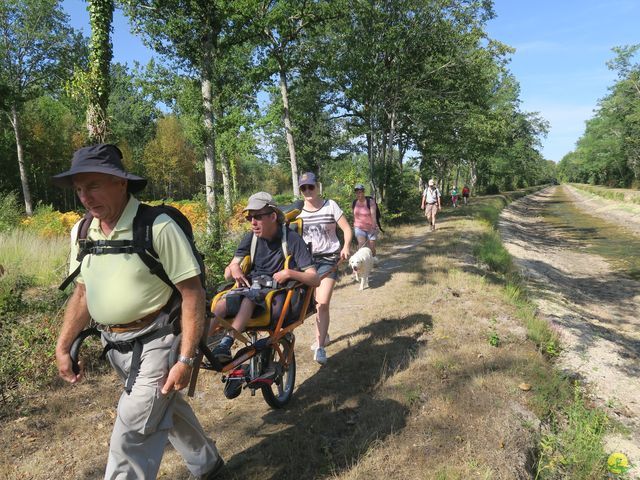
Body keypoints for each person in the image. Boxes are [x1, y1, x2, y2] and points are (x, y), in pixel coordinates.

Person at [53, 144, 223, 480]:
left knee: (132, 429)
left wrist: (186, 360)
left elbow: (192, 293)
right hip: (116, 346)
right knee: (164, 408)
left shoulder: (157, 227)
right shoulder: (83, 231)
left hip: (160, 339)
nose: (85, 197)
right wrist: (63, 345)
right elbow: (83, 291)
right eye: (79, 189)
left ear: (121, 183)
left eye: (94, 185)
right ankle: (209, 465)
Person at [211, 192, 320, 363]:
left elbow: (315, 279)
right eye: (249, 218)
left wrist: (289, 273)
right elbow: (227, 273)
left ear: (273, 216)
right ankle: (198, 347)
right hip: (251, 287)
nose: (253, 222)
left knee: (249, 299)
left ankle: (225, 345)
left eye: (258, 217)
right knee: (221, 304)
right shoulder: (250, 238)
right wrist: (233, 267)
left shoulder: (291, 238)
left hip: (275, 294)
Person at [297, 172, 352, 364]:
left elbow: (346, 229)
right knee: (312, 305)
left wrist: (345, 247)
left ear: (317, 187)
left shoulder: (331, 205)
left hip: (329, 259)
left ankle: (319, 347)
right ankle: (324, 336)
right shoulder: (298, 212)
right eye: (303, 188)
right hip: (308, 263)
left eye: (310, 187)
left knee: (322, 302)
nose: (307, 191)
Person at [352, 183, 379, 258]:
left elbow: (373, 216)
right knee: (361, 246)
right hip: (359, 227)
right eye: (357, 192)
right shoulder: (354, 203)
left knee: (372, 248)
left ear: (363, 192)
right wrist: (354, 226)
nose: (358, 194)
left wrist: (374, 227)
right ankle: (362, 263)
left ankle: (373, 259)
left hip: (371, 227)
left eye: (360, 192)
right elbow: (354, 215)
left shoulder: (370, 202)